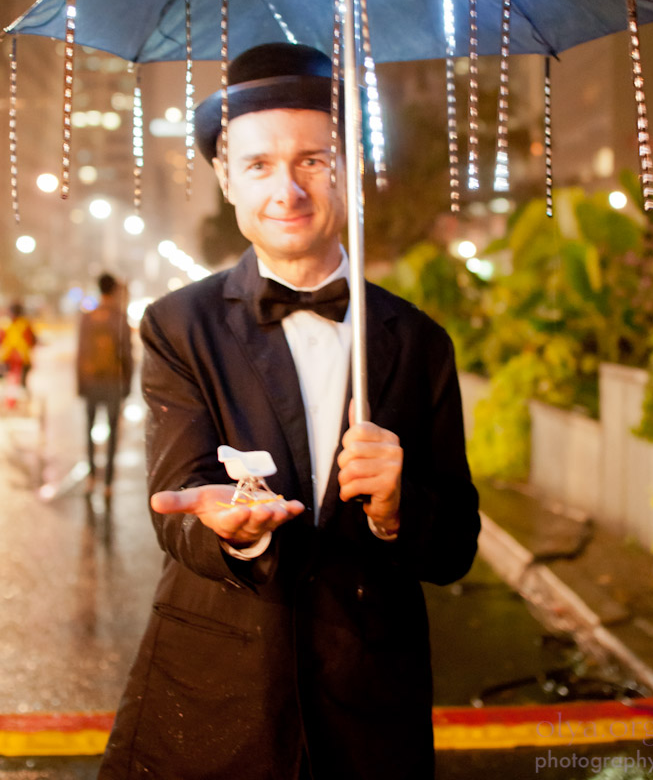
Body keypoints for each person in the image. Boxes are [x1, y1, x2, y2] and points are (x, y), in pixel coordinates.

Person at [100, 42, 480, 780]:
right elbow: (175, 510)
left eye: (313, 160)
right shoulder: (180, 326)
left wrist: (399, 509)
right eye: (259, 165)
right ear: (225, 179)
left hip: (370, 707)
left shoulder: (419, 343)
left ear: (350, 170)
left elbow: (457, 543)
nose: (288, 190)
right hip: (217, 694)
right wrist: (232, 534)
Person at [76, 273, 133, 495]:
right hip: (113, 383)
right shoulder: (119, 317)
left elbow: (81, 353)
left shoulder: (88, 317)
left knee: (89, 430)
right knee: (112, 433)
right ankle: (108, 482)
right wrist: (127, 385)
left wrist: (80, 385)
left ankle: (91, 478)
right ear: (114, 290)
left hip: (91, 381)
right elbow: (127, 354)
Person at [0, 302, 37, 389]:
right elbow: (32, 340)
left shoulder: (4, 324)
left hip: (10, 358)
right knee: (21, 382)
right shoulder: (25, 324)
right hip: (17, 358)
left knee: (6, 378)